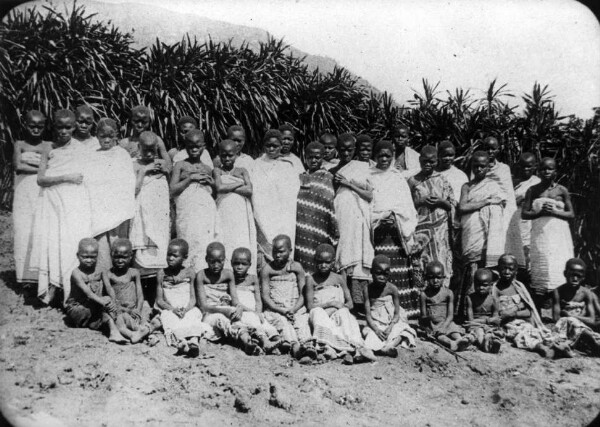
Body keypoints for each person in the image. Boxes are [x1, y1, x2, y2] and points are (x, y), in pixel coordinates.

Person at [29, 109, 92, 304]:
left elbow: (88, 177)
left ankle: (71, 291)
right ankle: (53, 287)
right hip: (52, 201)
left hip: (74, 203)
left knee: (71, 243)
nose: (64, 131)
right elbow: (40, 179)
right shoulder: (49, 148)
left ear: (74, 128)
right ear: (53, 127)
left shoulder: (81, 148)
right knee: (53, 242)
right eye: (60, 127)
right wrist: (66, 177)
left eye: (68, 127)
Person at [370, 140, 419, 318]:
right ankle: (381, 310)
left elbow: (407, 206)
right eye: (380, 155)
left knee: (398, 270)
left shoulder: (398, 177)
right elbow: (367, 204)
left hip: (397, 232)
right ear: (374, 156)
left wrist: (396, 217)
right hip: (378, 233)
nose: (384, 159)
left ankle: (404, 311)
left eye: (388, 156)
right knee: (380, 269)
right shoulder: (369, 176)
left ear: (392, 157)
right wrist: (379, 218)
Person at [456, 151, 506, 317]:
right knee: (471, 268)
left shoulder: (493, 185)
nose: (478, 169)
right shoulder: (466, 186)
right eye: (475, 166)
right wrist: (485, 201)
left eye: (482, 166)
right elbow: (462, 207)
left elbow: (500, 205)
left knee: (486, 269)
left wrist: (485, 205)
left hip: (487, 235)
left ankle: (489, 312)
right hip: (471, 231)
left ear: (488, 167)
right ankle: (466, 312)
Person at [522, 157, 574, 311]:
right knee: (541, 263)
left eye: (550, 169)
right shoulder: (533, 190)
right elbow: (524, 213)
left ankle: (560, 302)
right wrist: (539, 213)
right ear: (539, 171)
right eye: (543, 169)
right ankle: (541, 303)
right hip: (541, 234)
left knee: (558, 264)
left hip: (558, 234)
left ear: (555, 171)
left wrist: (555, 212)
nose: (546, 172)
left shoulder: (561, 190)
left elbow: (571, 214)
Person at [305, 244, 372, 361]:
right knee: (317, 312)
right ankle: (327, 347)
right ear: (315, 261)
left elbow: (350, 303)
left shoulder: (339, 278)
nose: (323, 265)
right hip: (322, 313)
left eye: (327, 262)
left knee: (345, 314)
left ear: (333, 262)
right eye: (320, 262)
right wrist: (331, 304)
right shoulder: (311, 279)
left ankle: (355, 348)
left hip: (337, 313)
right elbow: (310, 306)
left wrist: (340, 308)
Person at [331, 133, 374, 310]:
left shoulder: (362, 168)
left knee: (357, 256)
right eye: (342, 150)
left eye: (350, 149)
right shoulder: (332, 171)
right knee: (341, 255)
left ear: (355, 150)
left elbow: (369, 195)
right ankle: (343, 299)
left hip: (357, 219)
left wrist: (349, 184)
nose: (346, 153)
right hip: (340, 216)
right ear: (337, 150)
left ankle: (358, 303)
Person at [86, 119, 136, 271]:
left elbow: (129, 182)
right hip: (99, 209)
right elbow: (88, 181)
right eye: (102, 136)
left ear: (116, 136)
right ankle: (102, 283)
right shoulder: (92, 155)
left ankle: (120, 282)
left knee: (118, 246)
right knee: (101, 247)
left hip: (118, 211)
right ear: (97, 136)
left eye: (110, 136)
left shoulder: (122, 155)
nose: (106, 140)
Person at [195, 242, 260, 355]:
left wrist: (238, 307)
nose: (216, 265)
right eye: (212, 261)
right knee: (221, 319)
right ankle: (244, 338)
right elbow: (204, 306)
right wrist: (224, 310)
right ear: (206, 259)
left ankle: (248, 341)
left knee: (238, 318)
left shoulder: (228, 274)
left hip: (227, 310)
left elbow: (234, 300)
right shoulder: (201, 275)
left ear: (224, 260)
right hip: (210, 314)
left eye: (219, 261)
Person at [490, 254, 560, 358]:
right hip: (507, 325)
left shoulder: (519, 287)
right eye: (504, 268)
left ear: (516, 271)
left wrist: (513, 312)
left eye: (511, 269)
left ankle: (556, 348)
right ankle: (541, 348)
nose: (507, 272)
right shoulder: (495, 289)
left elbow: (528, 312)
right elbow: (497, 314)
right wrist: (510, 313)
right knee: (522, 334)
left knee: (536, 331)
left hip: (523, 322)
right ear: (498, 269)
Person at [12, 110, 52, 284]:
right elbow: (18, 166)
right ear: (25, 125)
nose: (36, 130)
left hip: (40, 191)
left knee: (40, 230)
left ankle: (38, 275)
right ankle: (23, 276)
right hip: (23, 192)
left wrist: (35, 167)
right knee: (23, 230)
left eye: (40, 126)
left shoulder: (48, 145)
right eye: (32, 126)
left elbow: (53, 164)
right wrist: (42, 169)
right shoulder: (19, 144)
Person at [155, 239, 211, 357]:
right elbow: (159, 300)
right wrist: (172, 309)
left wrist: (186, 309)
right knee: (167, 317)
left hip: (187, 308)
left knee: (194, 315)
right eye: (169, 255)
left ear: (184, 257)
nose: (170, 258)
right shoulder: (161, 273)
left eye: (175, 256)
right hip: (171, 308)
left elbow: (193, 299)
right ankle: (182, 342)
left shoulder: (190, 272)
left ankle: (194, 342)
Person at [408, 145, 455, 287]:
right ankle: (422, 299)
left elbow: (452, 205)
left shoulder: (442, 179)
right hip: (420, 231)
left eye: (432, 161)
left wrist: (441, 202)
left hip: (440, 231)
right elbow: (406, 207)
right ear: (419, 160)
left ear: (437, 161)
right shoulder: (412, 181)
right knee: (421, 262)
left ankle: (442, 298)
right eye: (424, 161)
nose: (428, 164)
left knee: (441, 261)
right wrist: (420, 202)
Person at [251, 130, 300, 265]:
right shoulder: (256, 164)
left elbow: (293, 192)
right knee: (264, 246)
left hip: (283, 216)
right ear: (264, 146)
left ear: (280, 147)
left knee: (283, 244)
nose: (271, 149)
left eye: (275, 146)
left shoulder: (288, 165)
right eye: (268, 145)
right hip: (263, 213)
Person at [64, 238, 126, 343]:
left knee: (110, 305)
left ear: (97, 256)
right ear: (78, 256)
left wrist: (113, 300)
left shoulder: (101, 269)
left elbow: (109, 287)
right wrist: (104, 303)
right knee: (103, 308)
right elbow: (88, 294)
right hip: (79, 308)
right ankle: (113, 329)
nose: (89, 260)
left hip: (96, 305)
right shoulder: (76, 273)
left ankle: (122, 330)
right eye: (85, 257)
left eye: (92, 257)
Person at [260, 235, 313, 359]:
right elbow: (265, 296)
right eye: (274, 251)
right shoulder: (267, 269)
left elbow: (303, 293)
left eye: (281, 251)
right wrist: (281, 310)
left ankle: (307, 345)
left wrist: (293, 309)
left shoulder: (297, 267)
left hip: (295, 307)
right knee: (283, 322)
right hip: (276, 309)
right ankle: (294, 346)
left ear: (290, 250)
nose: (277, 255)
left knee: (301, 321)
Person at [170, 130, 216, 271]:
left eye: (198, 146)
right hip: (187, 212)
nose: (194, 149)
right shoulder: (180, 165)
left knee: (203, 242)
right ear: (185, 146)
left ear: (204, 146)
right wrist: (190, 178)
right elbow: (172, 190)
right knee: (188, 240)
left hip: (204, 212)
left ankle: (202, 276)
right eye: (190, 146)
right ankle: (188, 275)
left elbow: (214, 193)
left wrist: (211, 183)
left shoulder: (208, 168)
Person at [129, 131, 171, 276]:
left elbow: (167, 188)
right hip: (141, 216)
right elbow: (133, 191)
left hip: (158, 215)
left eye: (152, 150)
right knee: (141, 254)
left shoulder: (163, 164)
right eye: (145, 150)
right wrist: (144, 171)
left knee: (159, 251)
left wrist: (164, 171)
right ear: (139, 147)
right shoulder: (134, 165)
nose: (148, 154)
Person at [294, 142, 339, 275]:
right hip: (301, 228)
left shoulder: (328, 177)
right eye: (310, 157)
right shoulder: (300, 176)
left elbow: (329, 205)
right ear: (305, 157)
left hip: (320, 229)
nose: (313, 160)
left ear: (322, 158)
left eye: (317, 157)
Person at [213, 139, 257, 274]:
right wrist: (239, 184)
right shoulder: (217, 171)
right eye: (223, 155)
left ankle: (243, 273)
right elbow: (219, 188)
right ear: (219, 155)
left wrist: (229, 187)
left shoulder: (242, 170)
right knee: (224, 238)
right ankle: (225, 272)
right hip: (223, 210)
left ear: (236, 154)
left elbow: (249, 190)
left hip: (239, 212)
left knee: (240, 238)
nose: (227, 158)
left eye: (230, 155)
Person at [482, 137, 524, 266]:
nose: (490, 151)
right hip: (485, 209)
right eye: (487, 148)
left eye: (493, 148)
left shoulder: (504, 168)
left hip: (504, 212)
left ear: (498, 150)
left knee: (504, 239)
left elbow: (509, 194)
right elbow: (476, 189)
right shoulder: (478, 167)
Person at [362, 255, 417, 356]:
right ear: (371, 271)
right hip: (376, 321)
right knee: (370, 334)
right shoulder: (367, 289)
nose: (382, 277)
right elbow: (368, 315)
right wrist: (376, 330)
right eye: (378, 273)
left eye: (385, 274)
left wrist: (391, 326)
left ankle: (390, 346)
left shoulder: (392, 289)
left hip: (392, 321)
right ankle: (382, 349)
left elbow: (397, 313)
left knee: (404, 330)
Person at [230, 247, 281, 353]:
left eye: (243, 264)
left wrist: (258, 312)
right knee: (252, 322)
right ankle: (265, 342)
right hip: (242, 312)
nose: (239, 267)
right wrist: (252, 312)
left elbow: (258, 299)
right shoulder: (230, 279)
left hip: (255, 313)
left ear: (249, 265)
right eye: (236, 263)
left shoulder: (253, 279)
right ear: (231, 263)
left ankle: (278, 343)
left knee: (266, 325)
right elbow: (235, 301)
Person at [108, 238, 157, 344]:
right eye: (117, 257)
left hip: (135, 308)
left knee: (146, 311)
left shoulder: (134, 272)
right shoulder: (109, 274)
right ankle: (144, 334)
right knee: (118, 317)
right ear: (111, 256)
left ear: (131, 257)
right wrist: (128, 311)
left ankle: (144, 332)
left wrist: (138, 310)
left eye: (124, 257)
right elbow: (111, 299)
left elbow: (140, 295)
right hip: (121, 309)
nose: (120, 260)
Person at [437, 140, 468, 289]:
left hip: (454, 222)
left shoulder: (459, 175)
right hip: (437, 222)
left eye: (451, 155)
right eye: (444, 155)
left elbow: (461, 202)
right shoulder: (432, 171)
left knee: (455, 260)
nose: (448, 159)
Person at [552, 259, 600, 357]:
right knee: (568, 322)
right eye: (572, 275)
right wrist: (569, 318)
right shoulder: (558, 292)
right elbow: (556, 318)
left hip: (583, 326)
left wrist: (572, 316)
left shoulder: (586, 293)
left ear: (583, 277)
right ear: (565, 274)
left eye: (579, 276)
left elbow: (592, 320)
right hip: (565, 327)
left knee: (579, 326)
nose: (575, 278)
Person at [420, 261, 471, 351]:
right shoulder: (424, 295)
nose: (435, 281)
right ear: (426, 278)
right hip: (432, 325)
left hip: (447, 322)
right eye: (432, 278)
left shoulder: (448, 293)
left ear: (444, 277)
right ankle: (452, 343)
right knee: (439, 335)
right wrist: (429, 323)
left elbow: (450, 315)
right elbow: (423, 316)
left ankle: (460, 340)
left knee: (453, 329)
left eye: (438, 278)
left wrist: (444, 326)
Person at [513, 153, 541, 271]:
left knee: (530, 253)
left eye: (529, 166)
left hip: (531, 221)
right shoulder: (513, 182)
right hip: (515, 220)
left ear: (535, 167)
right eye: (523, 166)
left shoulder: (537, 182)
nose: (526, 169)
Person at [464, 268, 503, 353]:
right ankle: (484, 345)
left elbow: (496, 319)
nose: (481, 287)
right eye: (478, 285)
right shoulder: (470, 298)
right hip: (475, 325)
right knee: (479, 333)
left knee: (492, 332)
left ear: (491, 285)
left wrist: (488, 322)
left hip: (489, 326)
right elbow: (470, 321)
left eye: (485, 285)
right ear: (474, 284)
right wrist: (487, 320)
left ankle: (491, 341)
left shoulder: (494, 300)